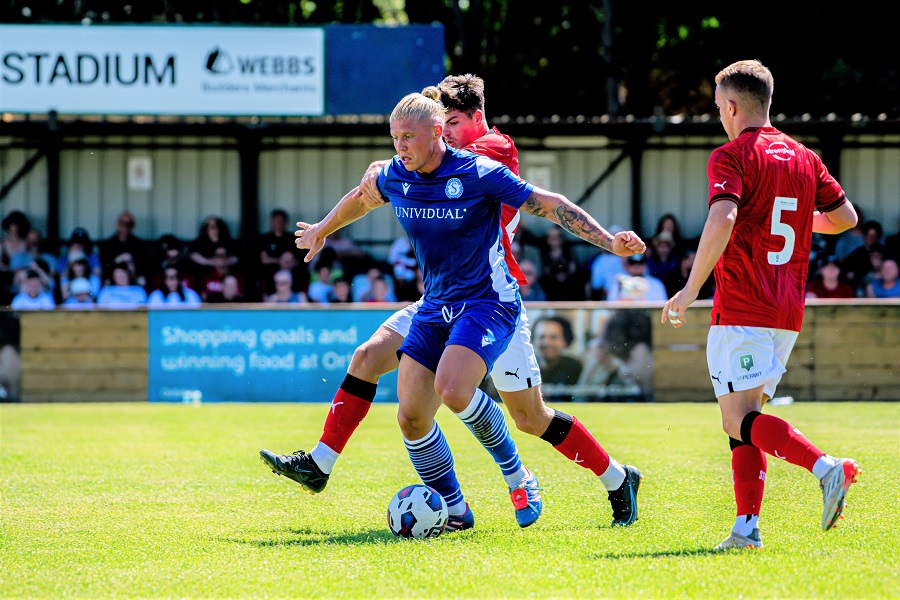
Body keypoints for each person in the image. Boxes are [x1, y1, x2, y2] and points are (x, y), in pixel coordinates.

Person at [261, 75, 647, 530]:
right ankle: (448, 505)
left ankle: (581, 477)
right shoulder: (400, 172)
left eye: (410, 136)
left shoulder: (487, 158)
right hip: (437, 302)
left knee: (516, 412)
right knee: (406, 408)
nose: (400, 146)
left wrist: (608, 241)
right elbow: (361, 199)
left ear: (442, 129)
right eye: (395, 138)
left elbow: (547, 204)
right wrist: (322, 229)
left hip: (491, 300)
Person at [661, 60, 861, 551]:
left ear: (731, 106)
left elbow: (724, 216)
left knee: (737, 419)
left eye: (718, 108)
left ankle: (826, 467)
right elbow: (845, 218)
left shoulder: (731, 155)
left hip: (744, 304)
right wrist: (780, 215)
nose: (719, 116)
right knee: (745, 417)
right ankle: (746, 529)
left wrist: (690, 288)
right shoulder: (804, 157)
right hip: (786, 310)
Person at [533, 315, 583, 402]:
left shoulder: (574, 367)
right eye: (542, 337)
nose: (546, 342)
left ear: (565, 340)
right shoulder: (525, 366)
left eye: (553, 337)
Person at [99, 211, 147, 283]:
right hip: (113, 279)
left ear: (132, 226)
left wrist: (132, 262)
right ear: (117, 224)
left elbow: (143, 266)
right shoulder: (108, 245)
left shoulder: (138, 245)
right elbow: (105, 265)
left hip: (132, 279)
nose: (125, 227)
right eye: (122, 223)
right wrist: (117, 260)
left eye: (128, 224)